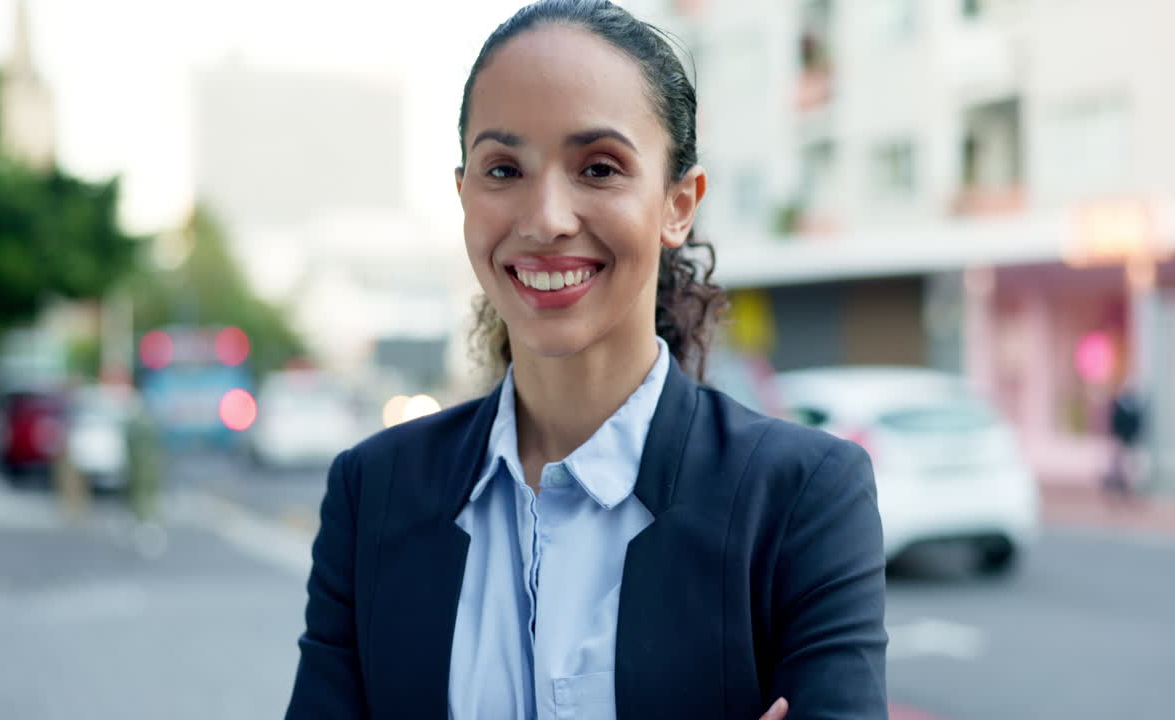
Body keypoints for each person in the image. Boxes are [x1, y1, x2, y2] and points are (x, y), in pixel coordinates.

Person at [285, 2, 887, 718]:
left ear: (678, 203)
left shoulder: (800, 498)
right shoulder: (373, 493)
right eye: (503, 168)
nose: (544, 218)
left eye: (599, 168)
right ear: (464, 196)